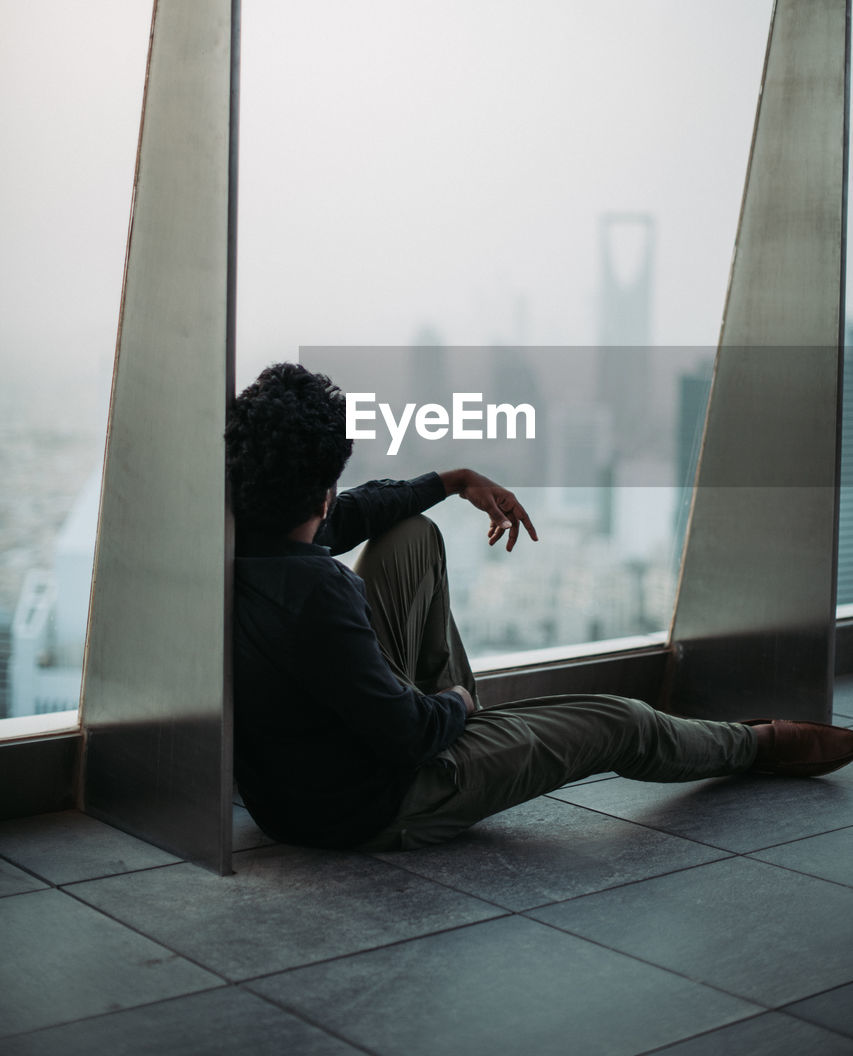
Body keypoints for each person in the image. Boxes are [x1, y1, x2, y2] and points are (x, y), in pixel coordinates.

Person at [225, 361, 853, 851]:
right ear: (324, 491)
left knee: (411, 534)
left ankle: (461, 722)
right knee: (621, 723)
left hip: (288, 796)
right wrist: (458, 703)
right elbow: (406, 734)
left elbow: (361, 512)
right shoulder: (323, 595)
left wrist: (451, 480)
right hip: (378, 802)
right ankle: (755, 746)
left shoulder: (242, 541)